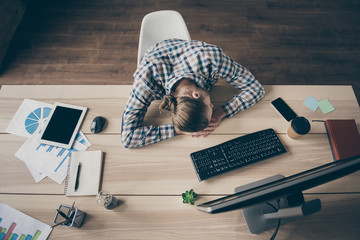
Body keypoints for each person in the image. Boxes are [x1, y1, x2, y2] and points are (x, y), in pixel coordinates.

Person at [121, 39, 265, 148]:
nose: (213, 104)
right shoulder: (145, 81)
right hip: (156, 58)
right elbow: (128, 138)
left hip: (183, 52)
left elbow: (256, 89)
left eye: (211, 105)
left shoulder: (212, 59)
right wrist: (178, 130)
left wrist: (221, 112)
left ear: (196, 95)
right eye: (211, 105)